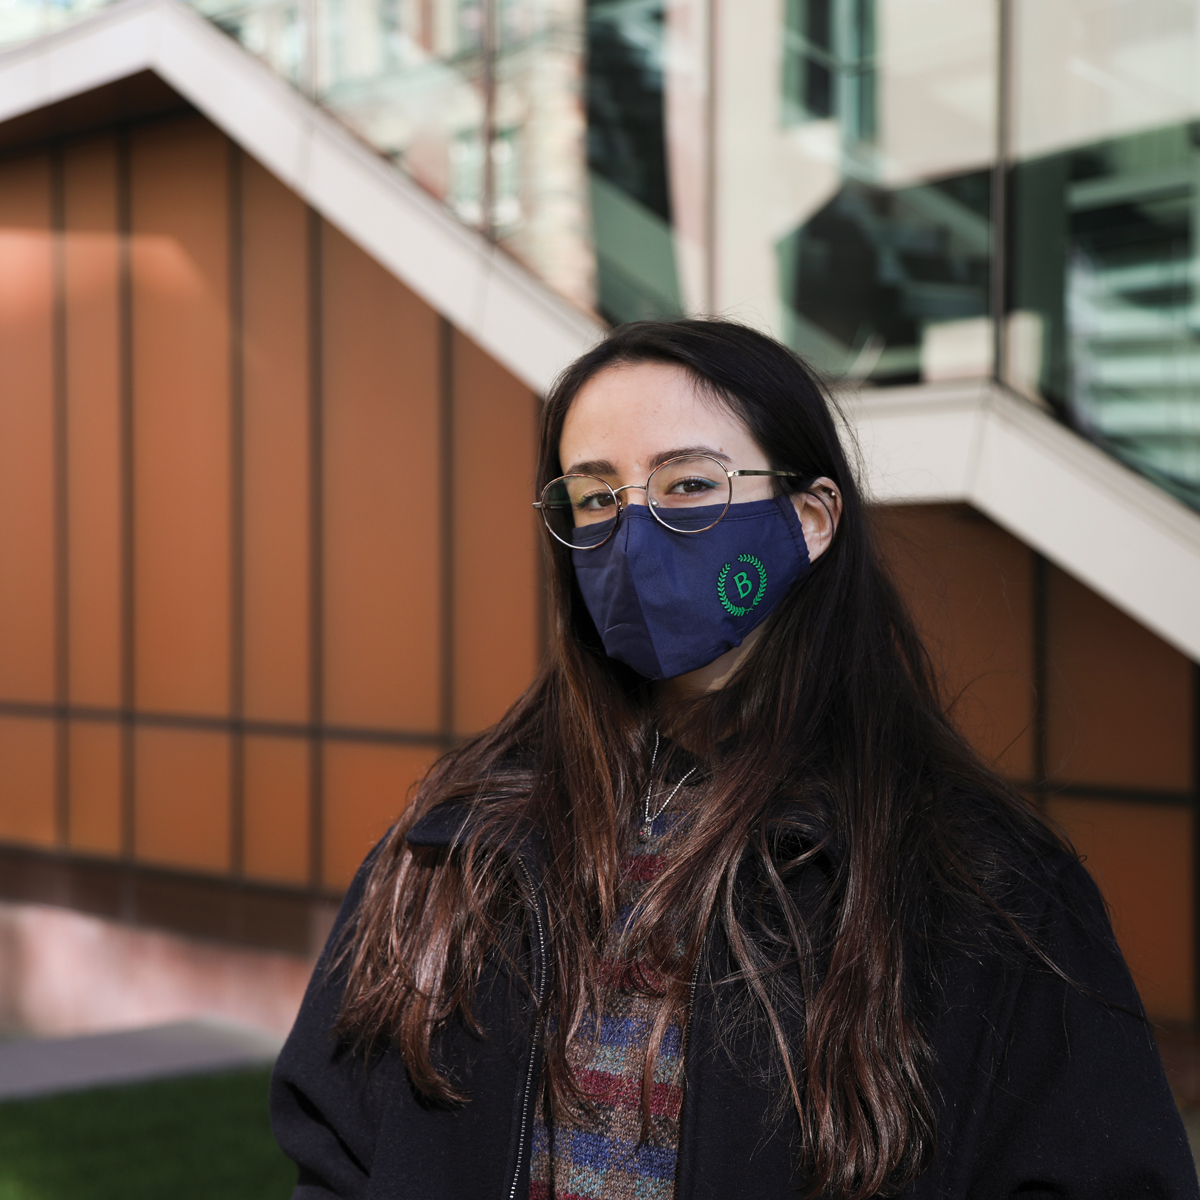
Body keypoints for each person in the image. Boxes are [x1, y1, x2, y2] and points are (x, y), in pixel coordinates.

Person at [271, 319, 1199, 1199]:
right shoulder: (456, 840)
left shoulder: (977, 882)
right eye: (596, 497)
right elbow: (336, 1142)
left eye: (688, 486)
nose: (633, 535)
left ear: (811, 518)